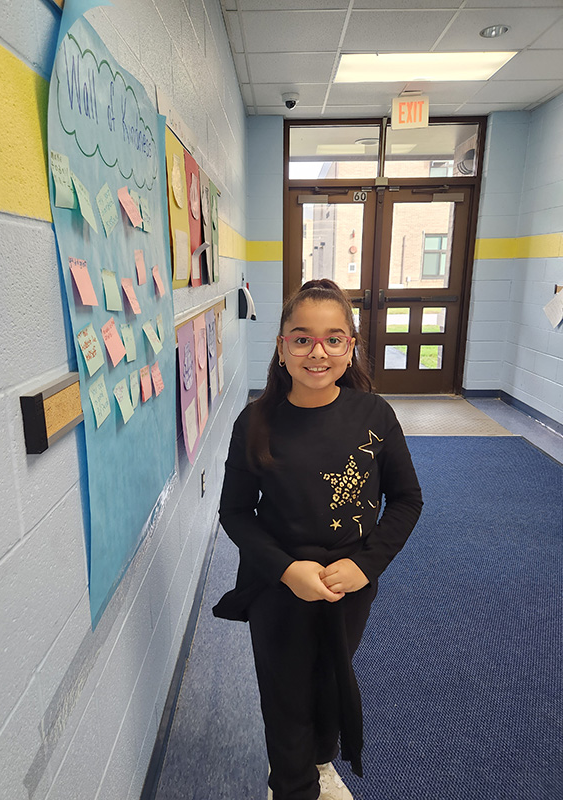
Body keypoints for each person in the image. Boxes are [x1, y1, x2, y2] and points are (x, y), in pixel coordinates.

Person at [213, 279, 423, 800]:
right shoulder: (255, 422)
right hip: (277, 582)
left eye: (334, 338)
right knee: (285, 691)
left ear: (351, 347)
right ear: (282, 347)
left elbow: (406, 500)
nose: (318, 352)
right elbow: (235, 512)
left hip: (349, 583)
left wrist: (365, 566)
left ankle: (320, 761)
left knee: (331, 676)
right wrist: (287, 571)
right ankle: (291, 784)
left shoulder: (374, 416)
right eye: (301, 338)